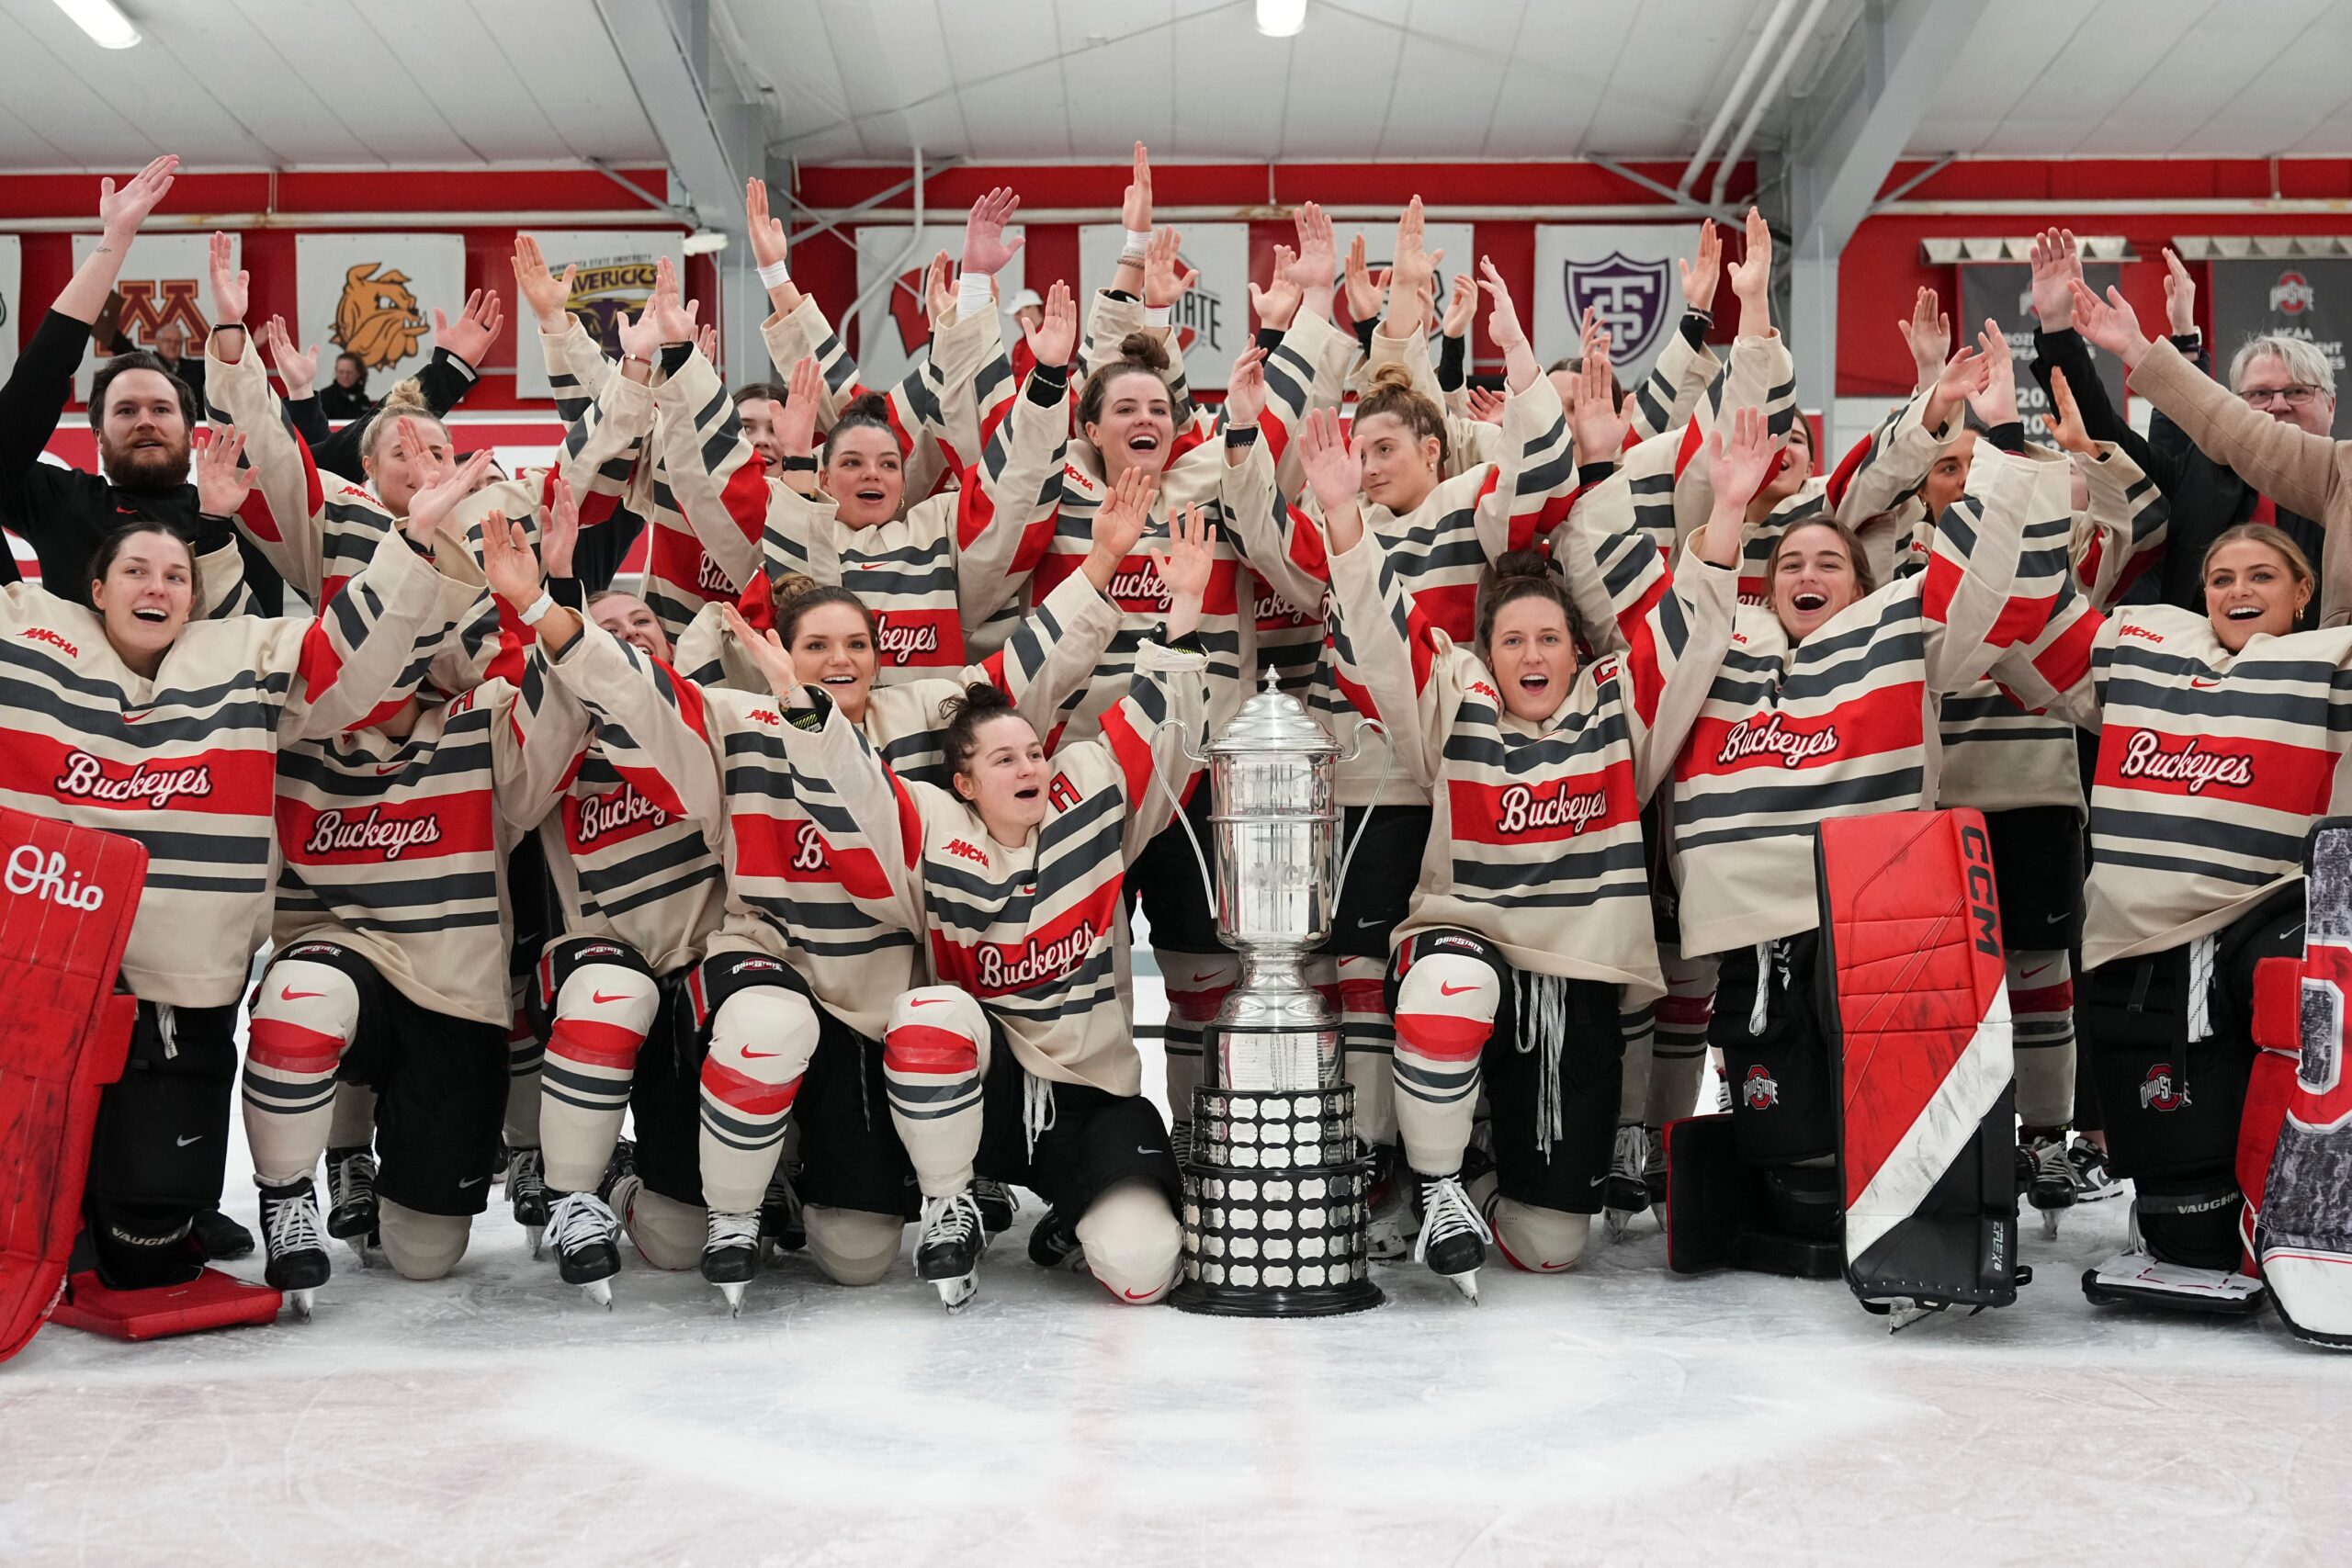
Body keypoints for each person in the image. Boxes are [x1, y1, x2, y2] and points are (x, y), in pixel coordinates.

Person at [532, 479, 1139, 1312]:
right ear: (778, 653)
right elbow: (637, 690)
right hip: (767, 971)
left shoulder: (923, 716)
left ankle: (834, 1183)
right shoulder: (738, 719)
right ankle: (724, 1216)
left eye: (856, 643)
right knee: (684, 1213)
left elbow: (1031, 663)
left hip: (871, 1004)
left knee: (855, 1258)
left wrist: (1104, 557)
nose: (840, 660)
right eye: (815, 646)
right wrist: (540, 603)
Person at [1301, 399, 1758, 1296]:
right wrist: (1346, 520)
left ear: (1577, 649)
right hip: (1464, 948)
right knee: (1450, 983)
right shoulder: (1454, 700)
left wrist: (1732, 512)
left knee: (1552, 1247)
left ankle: (1481, 1173)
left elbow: (1693, 634)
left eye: (1548, 636)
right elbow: (1385, 651)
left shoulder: (1619, 710)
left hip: (1572, 979)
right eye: (1512, 639)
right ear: (1488, 652)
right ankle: (1436, 1189)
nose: (1530, 652)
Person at [0, 426, 457, 1296]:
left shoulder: (244, 653)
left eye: (175, 575)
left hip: (182, 994)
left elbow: (348, 658)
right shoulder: (25, 631)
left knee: (147, 1255)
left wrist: (410, 542)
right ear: (94, 587)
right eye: (135, 570)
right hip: (39, 986)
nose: (157, 586)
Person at [1665, 326, 2075, 1248]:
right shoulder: (1723, 638)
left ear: (1861, 582)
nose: (1808, 574)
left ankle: (1913, 1183)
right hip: (1751, 915)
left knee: (1874, 1066)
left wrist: (2004, 448)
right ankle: (1776, 1174)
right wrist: (1728, 505)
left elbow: (1981, 579)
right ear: (1767, 586)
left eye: (1829, 563)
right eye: (1792, 565)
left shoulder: (1898, 627)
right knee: (1780, 1089)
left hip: (1870, 911)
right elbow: (1681, 615)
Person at [748, 507, 1217, 1311]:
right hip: (987, 1086)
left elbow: (1161, 723)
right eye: (1005, 758)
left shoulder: (1091, 792)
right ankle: (948, 1201)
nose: (1030, 765)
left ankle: (1078, 1216)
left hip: (1089, 1091)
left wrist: (1183, 612)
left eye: (1034, 751)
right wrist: (803, 707)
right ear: (963, 783)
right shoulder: (930, 821)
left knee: (1143, 1268)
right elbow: (858, 791)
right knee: (928, 1010)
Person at [1217, 253, 1578, 1253]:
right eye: (1356, 451)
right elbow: (1252, 532)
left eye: (1384, 448)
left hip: (1468, 778)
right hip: (1369, 780)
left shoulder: (1471, 509)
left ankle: (1480, 1149)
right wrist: (1246, 430)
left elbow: (1539, 478)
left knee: (1472, 966)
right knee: (1363, 965)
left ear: (1432, 444)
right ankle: (1380, 1147)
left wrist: (1512, 350)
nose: (1367, 466)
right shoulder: (1341, 530)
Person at [241, 474, 589, 1312]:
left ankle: (406, 1169)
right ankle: (290, 1188)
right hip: (345, 963)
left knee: (424, 1255)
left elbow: (559, 732)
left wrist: (556, 589)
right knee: (302, 993)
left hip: (455, 993)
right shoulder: (288, 727)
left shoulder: (479, 721)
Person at [1987, 513, 2352, 1306]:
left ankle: (2302, 1219)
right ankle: (2185, 1222)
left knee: (2296, 1002)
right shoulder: (2146, 654)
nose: (2238, 590)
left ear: (2304, 589)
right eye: (2221, 577)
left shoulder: (2329, 660)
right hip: (2137, 928)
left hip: (2267, 910)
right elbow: (2022, 625)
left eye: (2261, 575)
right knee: (2179, 1199)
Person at [1914, 359, 2171, 1225]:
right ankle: (1942, 1138)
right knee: (1943, 986)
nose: (1962, 477)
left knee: (2039, 978)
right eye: (1945, 467)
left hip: (2038, 798)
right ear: (1924, 492)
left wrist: (2085, 454)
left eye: (1974, 462)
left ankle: (2047, 1137)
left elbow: (2141, 524)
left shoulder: (2056, 557)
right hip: (1936, 809)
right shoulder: (1898, 571)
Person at [2032, 230, 2344, 627]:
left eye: (2297, 391)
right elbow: (2102, 432)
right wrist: (2058, 326)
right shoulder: (2197, 474)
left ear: (2331, 404)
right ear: (2234, 408)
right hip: (2198, 680)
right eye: (2260, 395)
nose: (2278, 405)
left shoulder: (2343, 485)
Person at [0, 156, 259, 614]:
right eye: (125, 410)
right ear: (97, 436)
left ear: (190, 427)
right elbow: (32, 392)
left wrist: (230, 329)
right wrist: (114, 241)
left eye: (161, 409)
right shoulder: (60, 501)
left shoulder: (236, 511)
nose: (144, 420)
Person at [320, 352, 374, 420]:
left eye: (350, 372)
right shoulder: (324, 397)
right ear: (336, 371)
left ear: (358, 373)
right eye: (341, 372)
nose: (345, 376)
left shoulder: (364, 400)